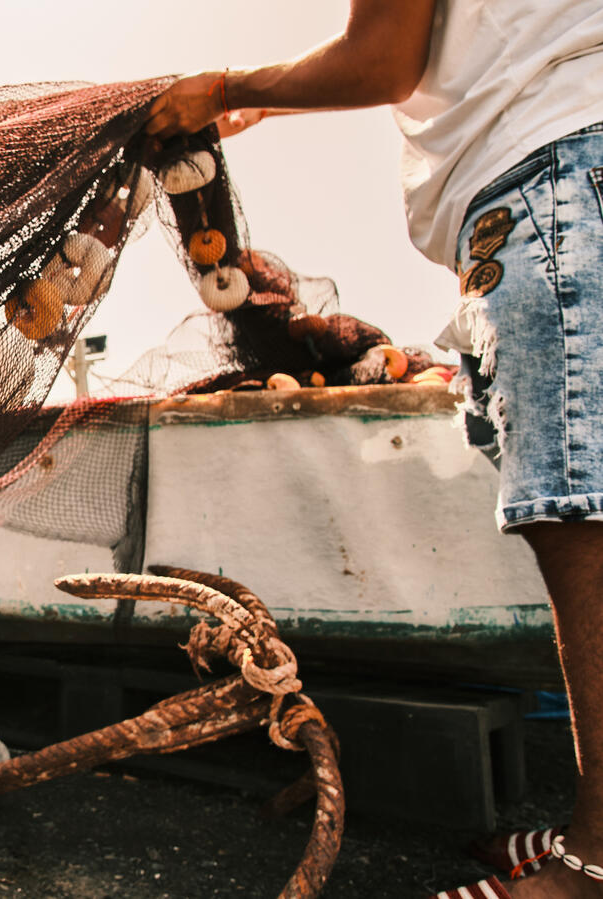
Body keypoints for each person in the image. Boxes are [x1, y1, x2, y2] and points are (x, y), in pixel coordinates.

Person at [146, 3, 603, 897]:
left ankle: (594, 865)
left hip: (555, 173)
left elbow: (384, 57)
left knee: (579, 514)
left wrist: (224, 89)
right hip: (572, 169)